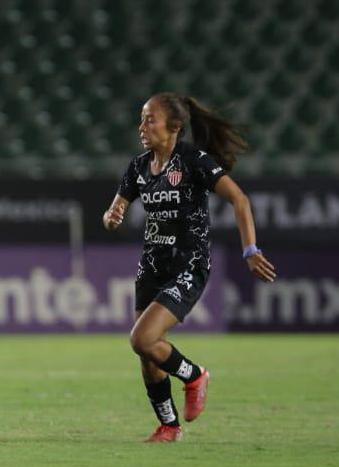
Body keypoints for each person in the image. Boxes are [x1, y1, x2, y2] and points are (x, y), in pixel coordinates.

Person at [103, 93, 277, 443]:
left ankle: (195, 375)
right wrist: (112, 216)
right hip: (151, 266)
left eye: (150, 119)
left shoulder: (195, 161)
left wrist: (250, 249)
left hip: (189, 265)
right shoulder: (138, 167)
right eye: (142, 118)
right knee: (147, 355)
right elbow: (111, 214)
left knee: (142, 338)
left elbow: (239, 199)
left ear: (175, 126)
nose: (142, 126)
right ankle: (169, 426)